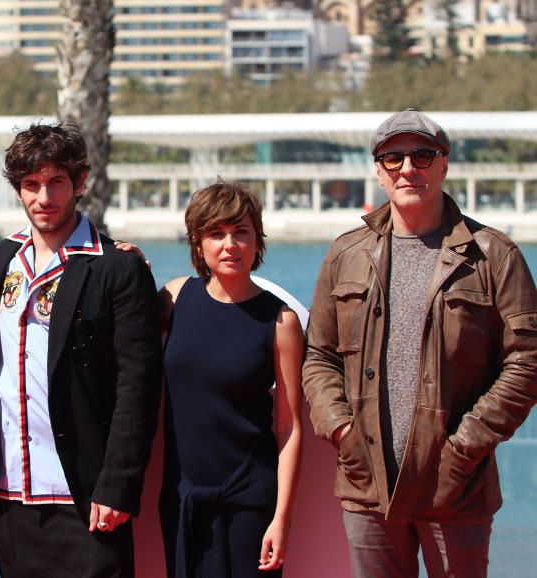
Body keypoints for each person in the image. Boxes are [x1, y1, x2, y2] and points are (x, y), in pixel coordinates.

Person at [302, 108, 537, 577]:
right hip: (366, 482)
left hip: (454, 486)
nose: (408, 168)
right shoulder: (346, 254)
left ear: (444, 164)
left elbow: (526, 361)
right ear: (378, 171)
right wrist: (343, 431)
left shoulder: (493, 255)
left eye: (422, 155)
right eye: (393, 158)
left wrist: (465, 447)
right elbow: (319, 357)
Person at [0, 123, 162, 577]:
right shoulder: (2, 259)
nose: (44, 197)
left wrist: (117, 486)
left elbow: (136, 387)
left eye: (56, 182)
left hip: (86, 492)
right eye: (31, 185)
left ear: (80, 183)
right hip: (11, 489)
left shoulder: (117, 268)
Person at [157, 182, 304, 577]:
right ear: (197, 242)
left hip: (250, 501)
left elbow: (290, 427)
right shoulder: (173, 299)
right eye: (216, 233)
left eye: (241, 232)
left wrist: (281, 520)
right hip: (181, 497)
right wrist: (124, 262)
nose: (230, 245)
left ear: (257, 240)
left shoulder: (281, 321)